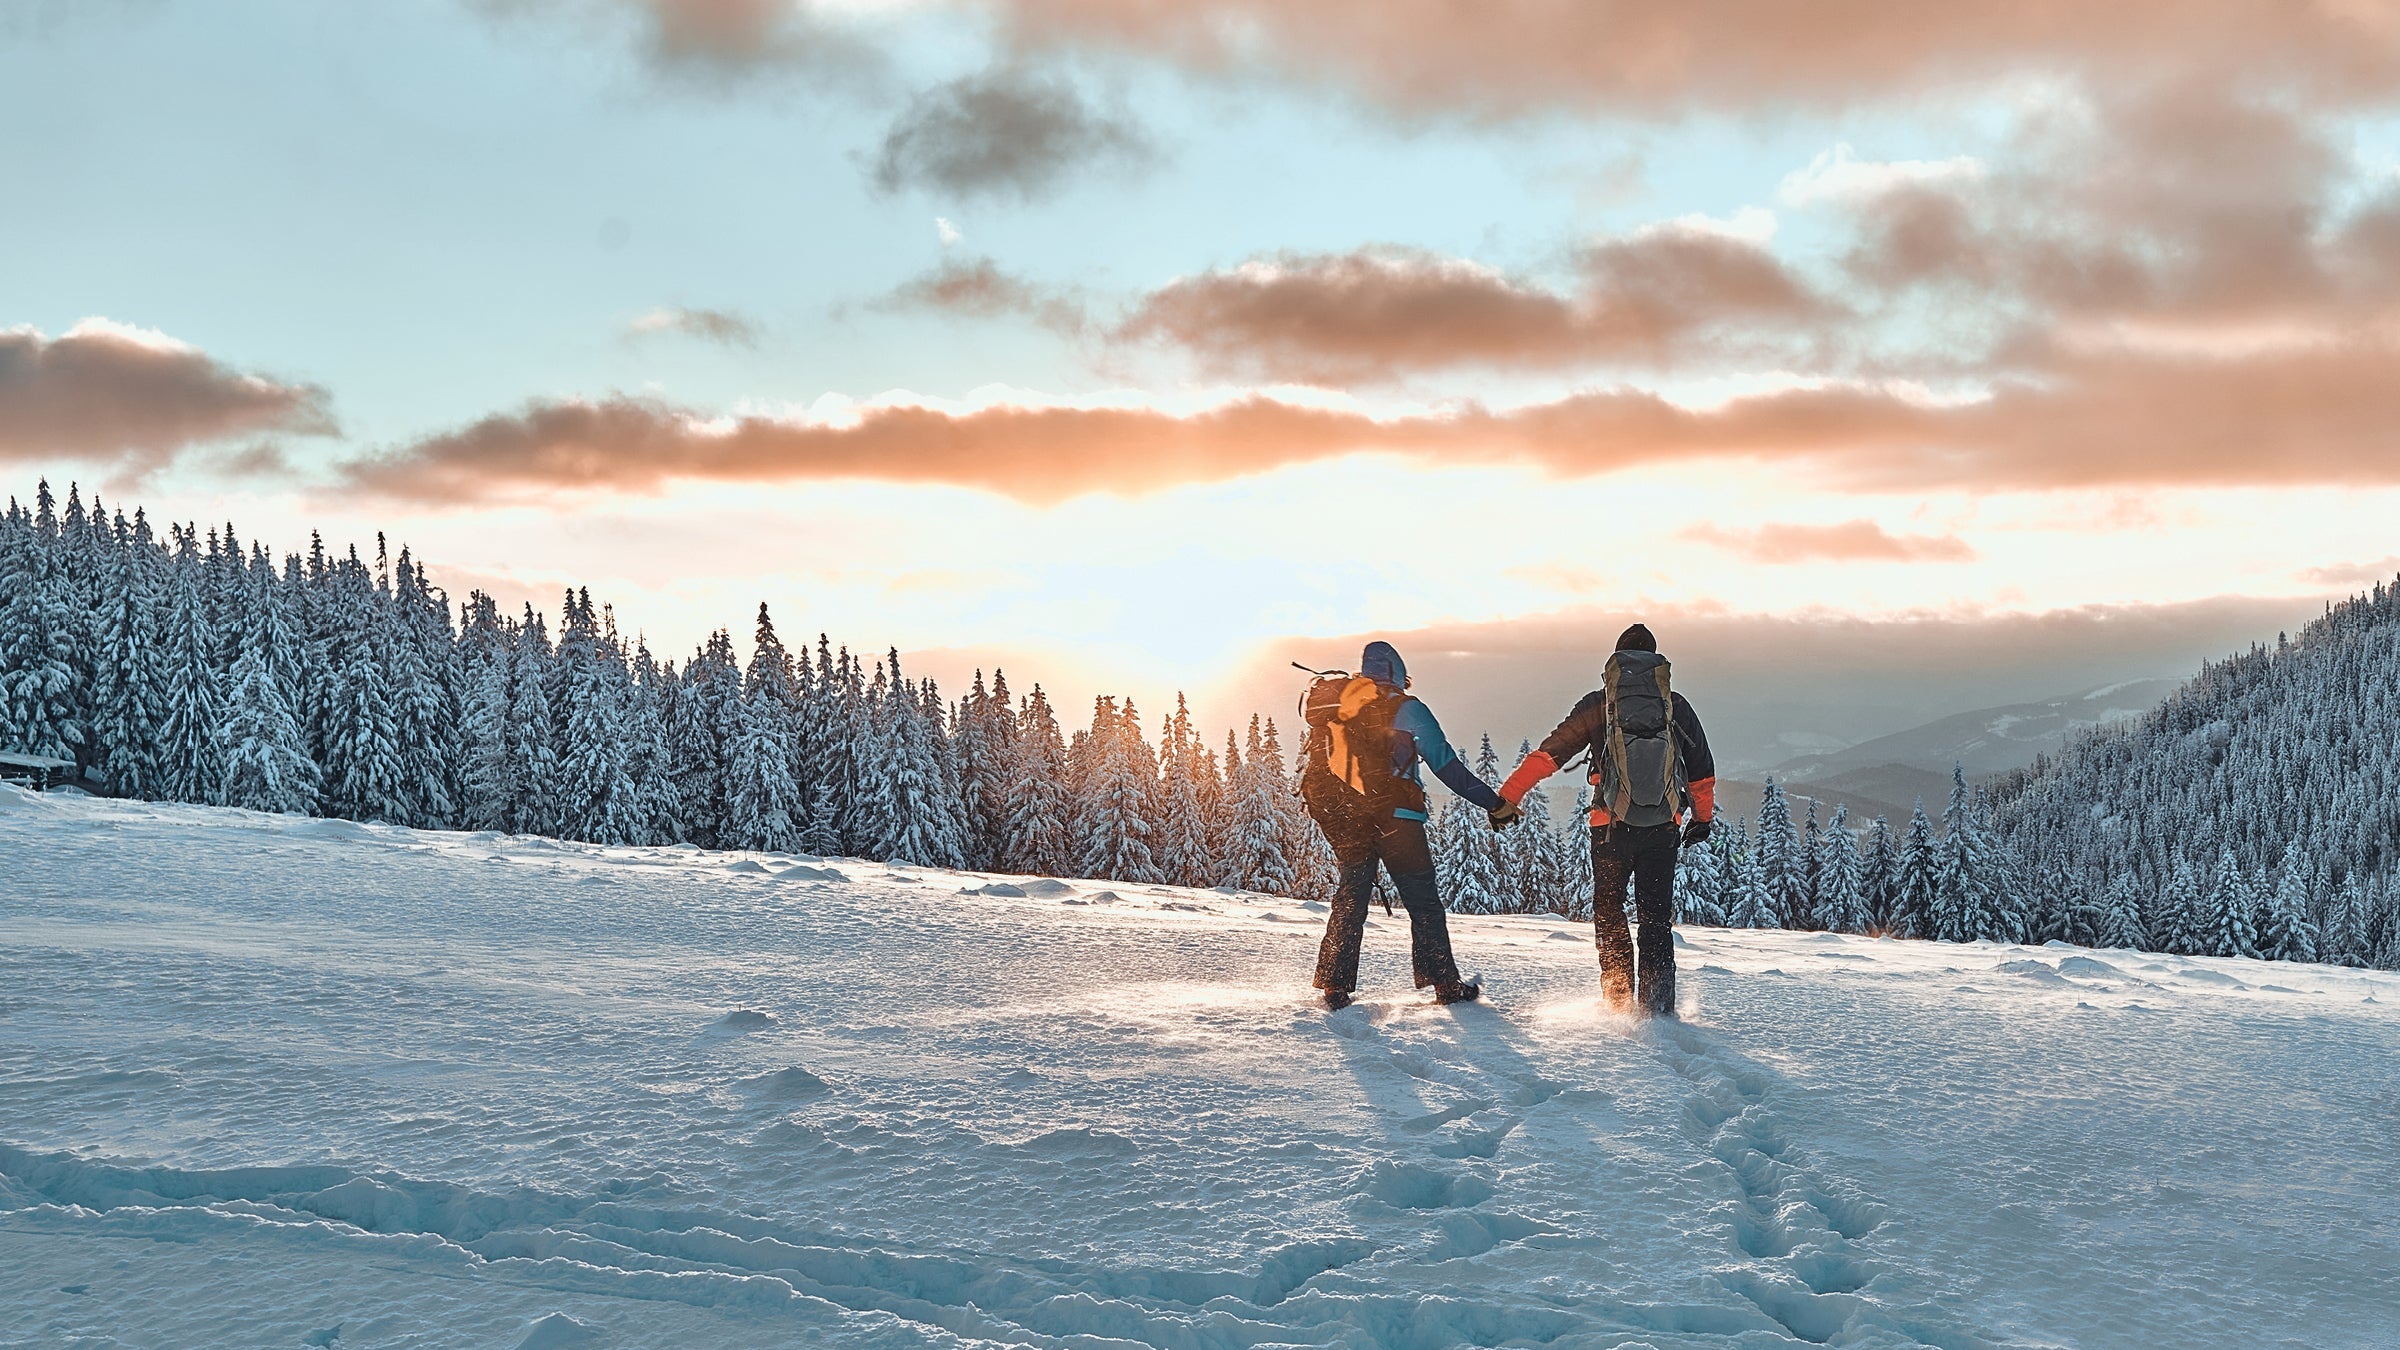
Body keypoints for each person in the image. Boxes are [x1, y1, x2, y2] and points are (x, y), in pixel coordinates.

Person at [1494, 624, 1716, 1016]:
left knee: (1609, 909)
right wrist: (1702, 818)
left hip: (1610, 826)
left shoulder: (1599, 704)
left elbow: (1551, 754)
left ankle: (1617, 1000)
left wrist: (1510, 795)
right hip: (1664, 826)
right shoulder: (1675, 705)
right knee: (1655, 917)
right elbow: (1701, 769)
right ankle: (1658, 1008)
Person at [1303, 641, 1509, 1008]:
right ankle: (1444, 985)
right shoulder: (1409, 709)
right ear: (1398, 673)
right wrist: (1492, 802)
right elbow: (1446, 765)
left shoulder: (1342, 709)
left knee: (1350, 899)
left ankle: (1334, 987)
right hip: (1400, 820)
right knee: (1422, 901)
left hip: (1352, 820)